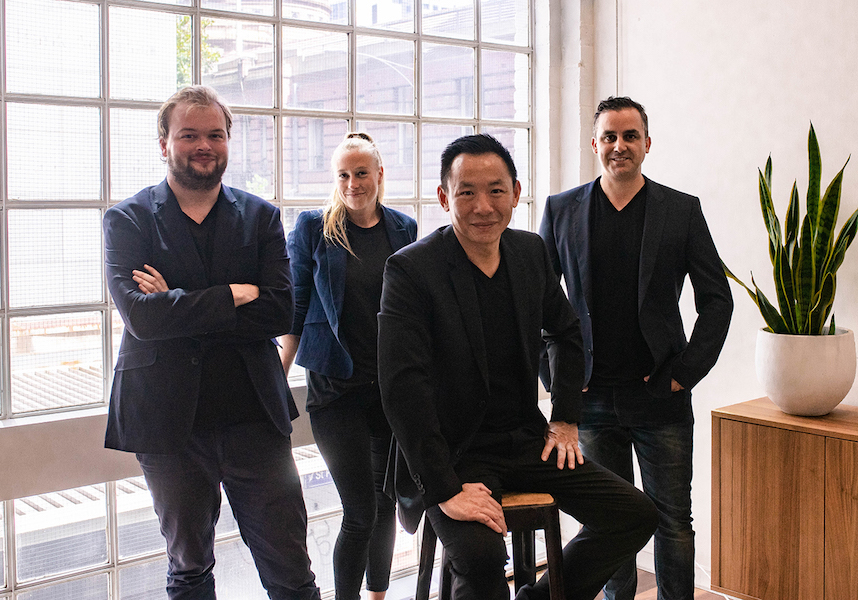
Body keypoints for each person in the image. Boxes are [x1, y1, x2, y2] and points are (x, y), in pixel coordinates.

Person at [378, 133, 658, 600]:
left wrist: (565, 418)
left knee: (635, 514)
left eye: (496, 190)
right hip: (454, 453)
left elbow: (565, 332)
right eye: (467, 192)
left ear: (516, 193)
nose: (483, 206)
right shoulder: (411, 270)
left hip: (526, 441)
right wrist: (446, 489)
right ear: (444, 197)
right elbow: (401, 388)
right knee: (482, 558)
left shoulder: (529, 252)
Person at [103, 85, 321, 600]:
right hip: (167, 422)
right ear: (164, 143)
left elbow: (278, 311)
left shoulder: (262, 217)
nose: (204, 145)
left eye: (216, 135)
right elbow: (141, 318)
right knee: (189, 568)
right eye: (189, 135)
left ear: (228, 141)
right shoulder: (127, 219)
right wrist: (233, 294)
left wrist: (175, 302)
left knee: (291, 569)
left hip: (254, 417)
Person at [539, 96, 734, 600]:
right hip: (590, 399)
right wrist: (556, 381)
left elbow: (717, 299)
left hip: (659, 395)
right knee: (611, 522)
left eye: (630, 136)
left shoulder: (681, 210)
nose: (619, 146)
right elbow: (535, 304)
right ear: (595, 144)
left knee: (673, 520)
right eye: (610, 136)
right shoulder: (561, 209)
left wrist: (684, 372)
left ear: (648, 144)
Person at [280, 132, 417, 600]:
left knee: (386, 502)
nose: (352, 183)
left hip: (388, 390)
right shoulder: (314, 228)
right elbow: (297, 304)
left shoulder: (403, 228)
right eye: (343, 175)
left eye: (361, 173)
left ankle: (377, 595)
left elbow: (413, 309)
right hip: (335, 391)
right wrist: (279, 375)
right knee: (360, 511)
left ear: (379, 175)